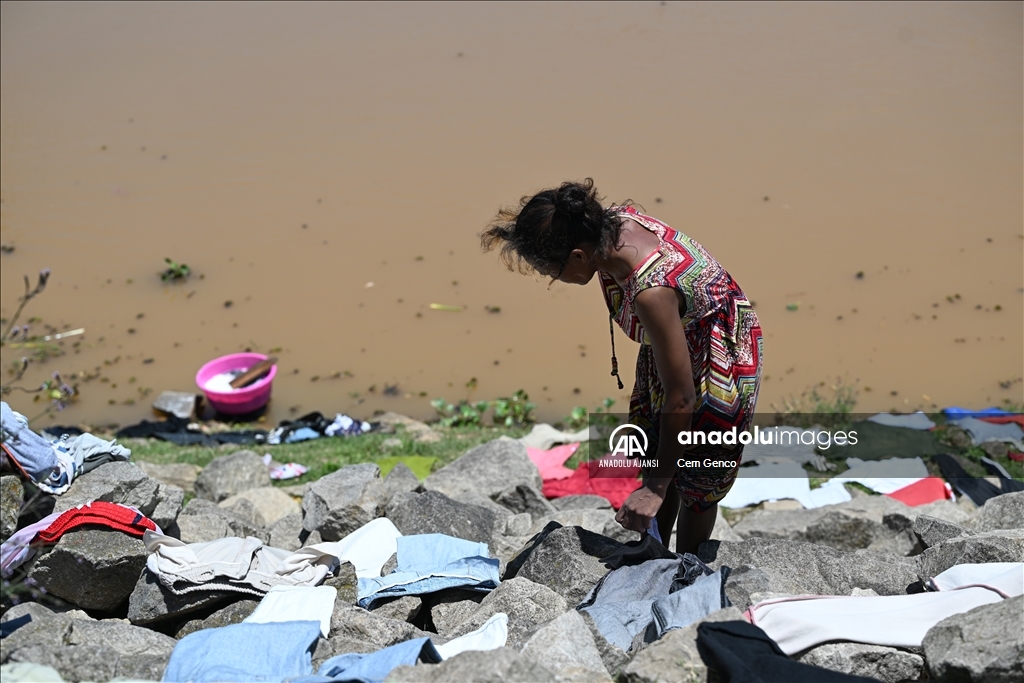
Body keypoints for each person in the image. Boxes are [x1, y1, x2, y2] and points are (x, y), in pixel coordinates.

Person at [481, 178, 762, 554]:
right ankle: (655, 552)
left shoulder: (652, 293)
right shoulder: (606, 226)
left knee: (697, 473)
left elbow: (681, 399)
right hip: (674, 336)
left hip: (719, 352)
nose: (552, 278)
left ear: (579, 257)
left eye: (552, 271)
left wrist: (655, 488)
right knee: (657, 442)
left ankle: (689, 565)